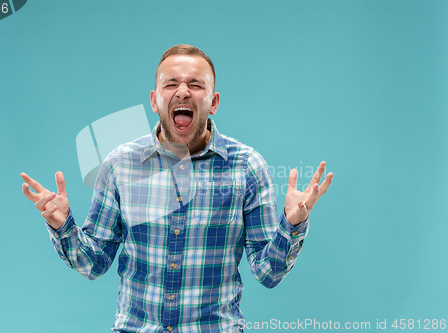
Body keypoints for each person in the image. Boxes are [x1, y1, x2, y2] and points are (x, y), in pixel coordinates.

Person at [21, 44, 333, 333]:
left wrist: (292, 225)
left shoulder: (248, 167)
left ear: (213, 102)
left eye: (196, 84)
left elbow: (269, 273)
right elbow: (93, 263)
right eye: (171, 84)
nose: (183, 91)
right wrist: (62, 226)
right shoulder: (121, 164)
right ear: (155, 100)